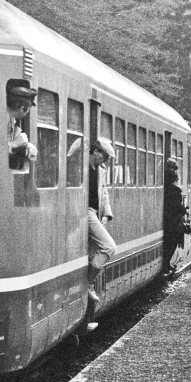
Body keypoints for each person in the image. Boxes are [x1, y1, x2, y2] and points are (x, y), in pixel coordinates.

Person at [85, 137, 117, 333]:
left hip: (95, 213)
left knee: (94, 253)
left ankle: (88, 312)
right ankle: (87, 283)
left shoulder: (99, 170)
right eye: (104, 156)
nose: (104, 161)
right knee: (109, 246)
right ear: (96, 152)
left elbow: (103, 192)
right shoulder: (82, 166)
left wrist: (106, 212)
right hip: (86, 212)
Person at [161, 159, 188, 277]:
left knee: (169, 243)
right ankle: (166, 264)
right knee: (173, 242)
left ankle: (166, 264)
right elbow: (177, 206)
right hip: (173, 222)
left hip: (167, 220)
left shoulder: (165, 186)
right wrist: (184, 209)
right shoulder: (174, 191)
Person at [6, 81, 38, 168]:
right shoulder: (0, 119)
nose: (26, 115)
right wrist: (14, 145)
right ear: (21, 108)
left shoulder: (11, 120)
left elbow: (19, 138)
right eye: (27, 111)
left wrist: (28, 145)